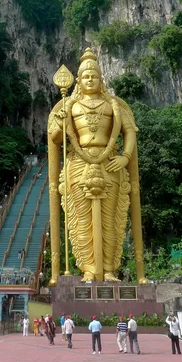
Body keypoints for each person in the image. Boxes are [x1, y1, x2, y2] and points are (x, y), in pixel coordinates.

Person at [48, 48, 147, 284]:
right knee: (81, 221)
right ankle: (88, 270)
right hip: (79, 165)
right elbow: (54, 138)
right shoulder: (69, 106)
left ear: (101, 79)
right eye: (85, 76)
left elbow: (129, 131)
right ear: (78, 82)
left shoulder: (114, 105)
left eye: (94, 75)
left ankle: (110, 269)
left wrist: (125, 156)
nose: (89, 79)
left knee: (111, 219)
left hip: (110, 164)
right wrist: (62, 122)